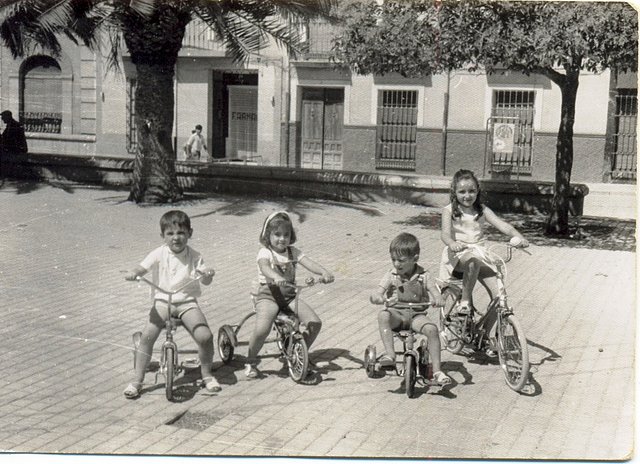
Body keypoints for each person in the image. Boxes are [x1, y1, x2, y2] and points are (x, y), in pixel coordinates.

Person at [123, 210, 220, 398]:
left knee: (205, 336)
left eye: (181, 233)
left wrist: (207, 274)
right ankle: (137, 380)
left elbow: (205, 279)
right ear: (163, 236)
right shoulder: (158, 253)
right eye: (170, 233)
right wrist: (134, 273)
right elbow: (142, 267)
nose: (176, 238)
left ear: (190, 234)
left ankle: (207, 375)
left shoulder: (194, 256)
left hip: (186, 302)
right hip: (162, 301)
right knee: (147, 337)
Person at [440, 169, 529, 355]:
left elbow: (503, 225)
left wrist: (519, 238)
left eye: (471, 191)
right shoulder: (449, 211)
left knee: (500, 295)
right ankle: (464, 302)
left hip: (480, 254)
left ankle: (485, 335)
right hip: (459, 254)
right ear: (454, 192)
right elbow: (445, 234)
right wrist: (452, 243)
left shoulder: (482, 210)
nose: (467, 195)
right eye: (462, 192)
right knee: (472, 262)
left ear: (477, 191)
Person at [245, 211, 334, 379]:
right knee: (263, 328)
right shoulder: (265, 252)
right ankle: (250, 361)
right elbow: (264, 267)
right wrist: (276, 276)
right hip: (269, 296)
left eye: (286, 234)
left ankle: (296, 352)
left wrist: (324, 272)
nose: (282, 239)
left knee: (315, 323)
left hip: (289, 297)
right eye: (277, 234)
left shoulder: (293, 252)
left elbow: (309, 263)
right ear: (267, 235)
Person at [370, 232, 451, 385]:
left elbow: (434, 291)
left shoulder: (424, 275)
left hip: (416, 316)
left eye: (401, 260)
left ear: (415, 259)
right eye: (393, 259)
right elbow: (377, 293)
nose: (396, 264)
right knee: (383, 315)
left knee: (432, 330)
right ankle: (390, 355)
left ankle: (437, 371)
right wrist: (378, 298)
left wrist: (438, 298)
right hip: (397, 314)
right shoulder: (391, 275)